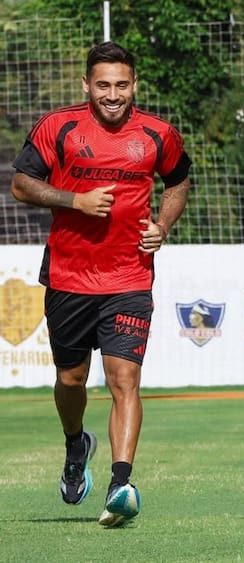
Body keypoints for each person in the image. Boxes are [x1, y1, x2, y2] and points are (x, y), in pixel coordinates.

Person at [10, 41, 192, 527]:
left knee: (124, 380)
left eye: (122, 85)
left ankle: (121, 483)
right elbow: (22, 184)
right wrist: (75, 200)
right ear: (86, 85)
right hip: (69, 276)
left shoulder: (158, 134)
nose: (113, 94)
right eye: (104, 85)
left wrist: (164, 225)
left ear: (135, 85)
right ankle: (76, 445)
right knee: (71, 379)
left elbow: (179, 181)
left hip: (129, 277)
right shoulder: (59, 127)